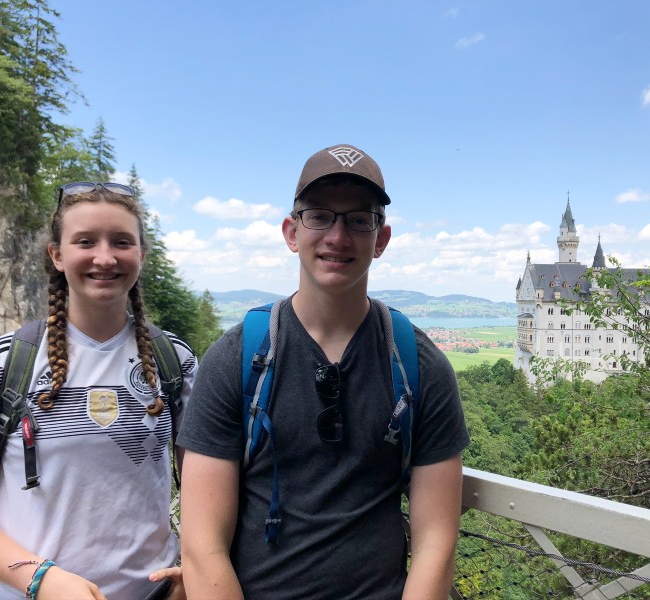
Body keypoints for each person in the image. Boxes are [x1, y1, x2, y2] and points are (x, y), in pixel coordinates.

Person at [178, 144, 469, 599]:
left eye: (358, 220)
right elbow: (201, 546)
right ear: (291, 232)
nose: (338, 236)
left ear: (382, 239)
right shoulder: (237, 358)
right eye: (319, 216)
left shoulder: (418, 365)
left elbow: (437, 542)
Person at [0, 182, 197, 600]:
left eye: (122, 242)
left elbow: (203, 489)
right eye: (85, 242)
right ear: (57, 255)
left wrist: (194, 565)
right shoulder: (3, 363)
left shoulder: (175, 361)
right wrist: (40, 579)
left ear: (141, 256)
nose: (105, 257)